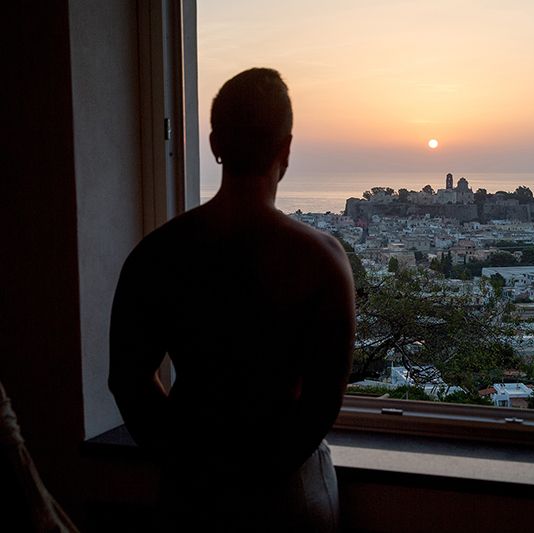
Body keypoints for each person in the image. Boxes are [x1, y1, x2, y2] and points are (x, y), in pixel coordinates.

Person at [109, 68, 355, 531]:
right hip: (290, 492)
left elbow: (128, 380)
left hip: (191, 488)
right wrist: (263, 470)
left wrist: (183, 461)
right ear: (286, 148)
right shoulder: (321, 259)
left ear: (215, 144)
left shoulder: (157, 254)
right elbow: (323, 401)